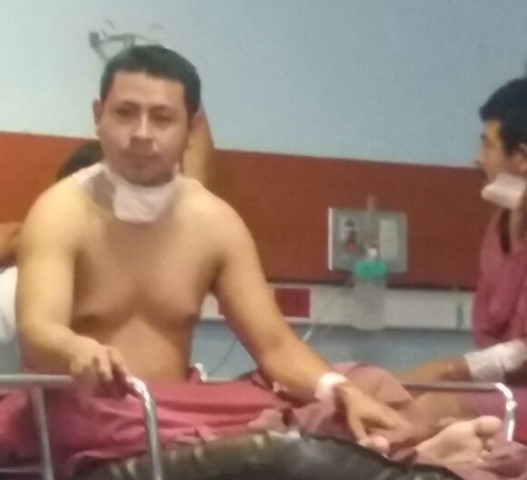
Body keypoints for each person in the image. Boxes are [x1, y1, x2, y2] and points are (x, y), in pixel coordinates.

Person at [12, 46, 512, 477]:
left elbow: (274, 344)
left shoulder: (213, 222)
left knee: (359, 385)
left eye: (161, 118)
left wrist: (338, 389)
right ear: (98, 114)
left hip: (183, 405)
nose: (141, 133)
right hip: (99, 414)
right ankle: (412, 455)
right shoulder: (61, 212)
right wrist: (77, 351)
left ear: (191, 127)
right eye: (125, 113)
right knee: (278, 434)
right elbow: (38, 330)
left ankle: (421, 452)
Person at [399, 77, 527, 442]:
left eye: (487, 144)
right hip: (510, 390)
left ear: (521, 158)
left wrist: (451, 370)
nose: (477, 157)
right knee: (396, 396)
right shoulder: (500, 229)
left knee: (437, 408)